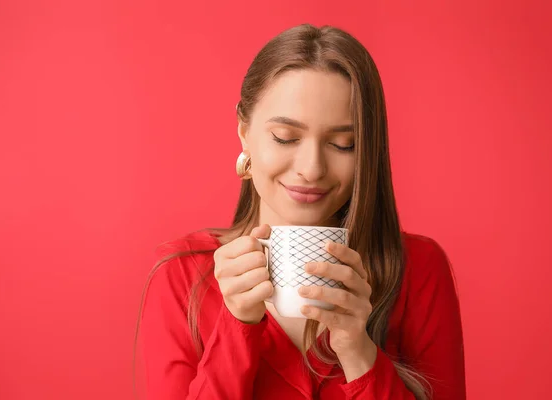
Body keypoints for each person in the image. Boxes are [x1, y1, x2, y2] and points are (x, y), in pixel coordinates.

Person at [137, 24, 466, 399]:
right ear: (244, 131)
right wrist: (237, 325)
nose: (312, 169)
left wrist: (359, 353)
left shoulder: (418, 270)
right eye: (285, 138)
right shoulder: (182, 275)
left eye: (344, 144)